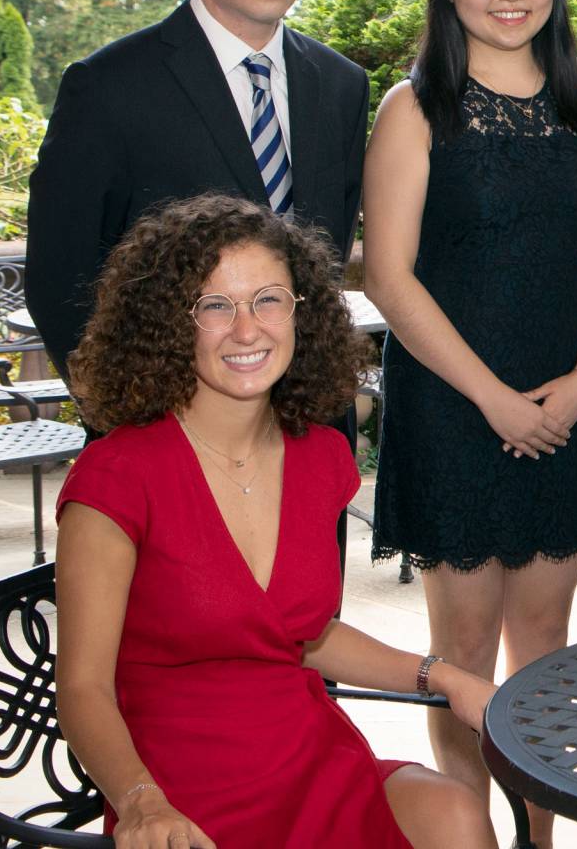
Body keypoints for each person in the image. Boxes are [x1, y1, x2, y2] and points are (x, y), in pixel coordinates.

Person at [54, 194, 499, 849]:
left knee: (458, 816)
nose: (246, 329)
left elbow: (304, 634)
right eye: (215, 305)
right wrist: (140, 802)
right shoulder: (115, 480)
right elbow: (83, 689)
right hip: (180, 795)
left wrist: (442, 674)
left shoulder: (319, 455)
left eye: (268, 299)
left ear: (303, 312)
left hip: (311, 764)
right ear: (168, 323)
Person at [362, 0, 577, 847]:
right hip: (454, 412)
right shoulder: (415, 109)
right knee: (465, 654)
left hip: (559, 410)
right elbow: (390, 279)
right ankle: (467, 836)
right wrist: (492, 401)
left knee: (548, 653)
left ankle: (539, 838)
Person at [29, 0, 368, 382]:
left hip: (308, 418)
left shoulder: (343, 86)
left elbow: (323, 268)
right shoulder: (107, 87)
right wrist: (129, 421)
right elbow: (58, 280)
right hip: (164, 425)